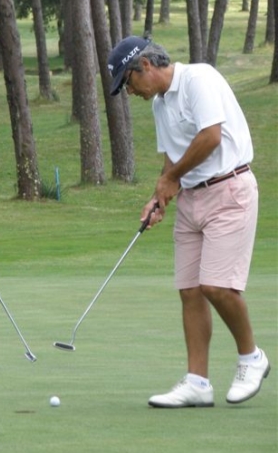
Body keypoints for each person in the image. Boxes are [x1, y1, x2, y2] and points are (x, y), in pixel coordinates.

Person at [108, 36, 270, 408]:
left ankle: (251, 357)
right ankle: (198, 382)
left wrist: (171, 179)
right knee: (190, 289)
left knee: (217, 286)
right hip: (192, 198)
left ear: (144, 66)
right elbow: (173, 157)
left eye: (127, 83)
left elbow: (210, 137)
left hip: (230, 190)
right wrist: (160, 195)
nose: (129, 92)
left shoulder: (199, 78)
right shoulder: (160, 104)